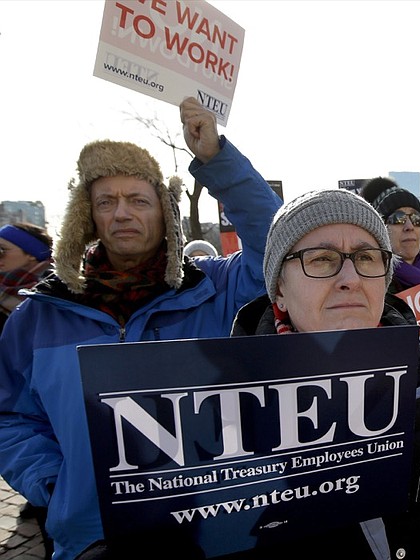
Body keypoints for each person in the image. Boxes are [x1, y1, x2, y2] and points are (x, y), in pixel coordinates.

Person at [0, 96, 283, 560]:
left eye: (138, 200)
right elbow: (10, 417)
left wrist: (217, 160)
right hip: (93, 539)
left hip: (213, 534)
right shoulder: (39, 316)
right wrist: (55, 484)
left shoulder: (216, 290)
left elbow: (278, 242)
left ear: (164, 213)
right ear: (88, 217)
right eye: (106, 201)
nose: (122, 213)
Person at [229, 188, 420, 558]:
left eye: (367, 257)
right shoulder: (223, 412)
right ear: (279, 288)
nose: (350, 278)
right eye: (322, 259)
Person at [0, 221, 55, 557]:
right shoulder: (4, 294)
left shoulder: (56, 299)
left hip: (57, 431)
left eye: (3, 251)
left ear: (31, 255)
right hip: (24, 426)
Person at [360, 176, 420, 294]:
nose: (410, 226)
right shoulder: (371, 286)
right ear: (381, 229)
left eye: (417, 218)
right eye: (398, 218)